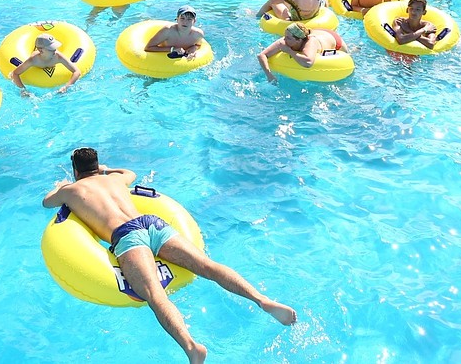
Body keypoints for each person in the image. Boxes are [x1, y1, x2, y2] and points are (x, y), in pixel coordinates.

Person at [41, 148, 296, 363]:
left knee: (155, 295)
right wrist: (107, 170)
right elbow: (130, 173)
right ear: (97, 166)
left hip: (127, 236)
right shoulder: (115, 180)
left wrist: (61, 186)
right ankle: (263, 300)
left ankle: (191, 347)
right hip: (152, 223)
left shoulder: (71, 190)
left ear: (75, 171)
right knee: (207, 265)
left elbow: (47, 202)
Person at [257, 22, 347, 82]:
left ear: (298, 40)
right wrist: (269, 75)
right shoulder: (287, 39)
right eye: (285, 36)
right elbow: (261, 55)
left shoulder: (311, 42)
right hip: (316, 31)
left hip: (332, 38)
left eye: (288, 38)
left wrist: (289, 51)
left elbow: (308, 63)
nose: (284, 39)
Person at [10, 33, 80, 95]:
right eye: (51, 49)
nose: (55, 50)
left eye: (55, 47)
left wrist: (66, 87)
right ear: (41, 50)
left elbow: (77, 71)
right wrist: (23, 90)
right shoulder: (33, 60)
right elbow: (15, 73)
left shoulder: (58, 56)